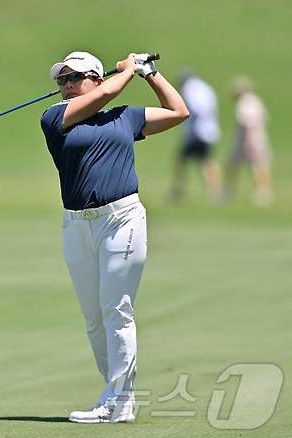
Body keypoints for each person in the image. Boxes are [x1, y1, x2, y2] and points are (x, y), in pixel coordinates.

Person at [40, 51, 189, 423]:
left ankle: (118, 400)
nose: (67, 85)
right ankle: (118, 395)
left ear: (95, 77)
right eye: (61, 80)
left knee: (116, 310)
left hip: (121, 220)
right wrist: (127, 71)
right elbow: (104, 97)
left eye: (74, 78)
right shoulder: (55, 118)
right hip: (76, 225)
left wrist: (149, 73)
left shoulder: (125, 118)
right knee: (93, 317)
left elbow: (178, 112)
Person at [171, 70, 223, 203]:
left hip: (197, 133)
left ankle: (181, 190)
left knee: (200, 162)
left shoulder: (190, 90)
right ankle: (214, 192)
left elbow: (195, 109)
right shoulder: (205, 88)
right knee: (205, 161)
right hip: (208, 131)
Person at [224, 76, 273, 207]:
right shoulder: (256, 101)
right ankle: (263, 192)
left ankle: (260, 192)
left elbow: (249, 124)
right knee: (259, 165)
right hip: (259, 138)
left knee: (254, 166)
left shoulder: (245, 103)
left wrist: (249, 141)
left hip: (248, 140)